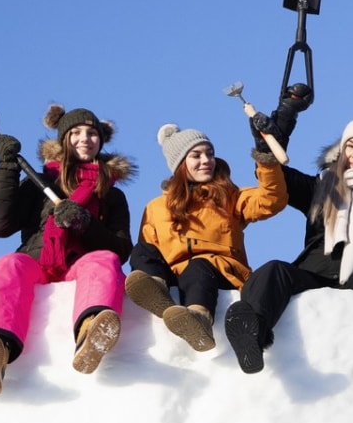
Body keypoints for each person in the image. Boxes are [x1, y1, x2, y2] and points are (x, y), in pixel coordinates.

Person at [229, 108, 353, 394]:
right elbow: (278, 178)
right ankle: (251, 332)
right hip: (313, 272)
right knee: (274, 269)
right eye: (350, 145)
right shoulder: (322, 185)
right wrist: (272, 137)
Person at [0, 104, 135, 396]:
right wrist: (6, 169)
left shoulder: (111, 194)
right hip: (37, 260)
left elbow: (122, 249)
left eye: (92, 133)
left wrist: (85, 223)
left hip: (80, 264)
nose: (85, 139)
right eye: (76, 132)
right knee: (9, 265)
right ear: (62, 139)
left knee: (103, 260)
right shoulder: (40, 183)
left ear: (101, 140)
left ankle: (90, 332)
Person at [122, 110, 288, 356]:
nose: (206, 160)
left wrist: (265, 158)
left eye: (210, 154)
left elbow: (271, 200)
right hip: (174, 274)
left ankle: (198, 319)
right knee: (142, 250)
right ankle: (156, 291)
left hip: (218, 270)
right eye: (196, 155)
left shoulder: (229, 196)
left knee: (198, 266)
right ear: (180, 164)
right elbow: (150, 246)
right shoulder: (156, 207)